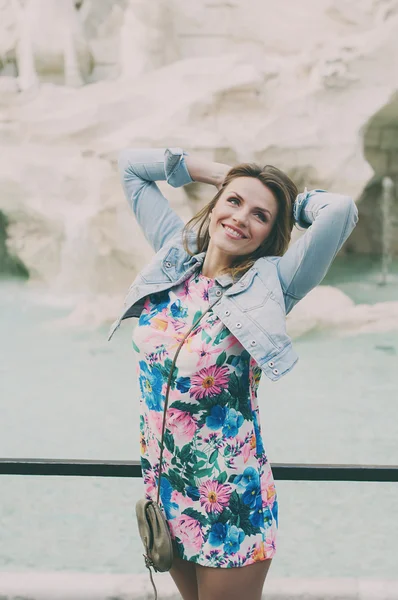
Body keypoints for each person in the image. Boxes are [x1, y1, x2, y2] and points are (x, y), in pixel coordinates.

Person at [109, 147, 358, 600]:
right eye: (234, 202)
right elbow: (131, 168)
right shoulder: (174, 254)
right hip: (168, 490)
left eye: (260, 215)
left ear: (271, 232)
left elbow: (340, 210)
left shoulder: (275, 284)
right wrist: (225, 175)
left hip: (230, 497)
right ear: (217, 201)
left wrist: (286, 198)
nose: (241, 218)